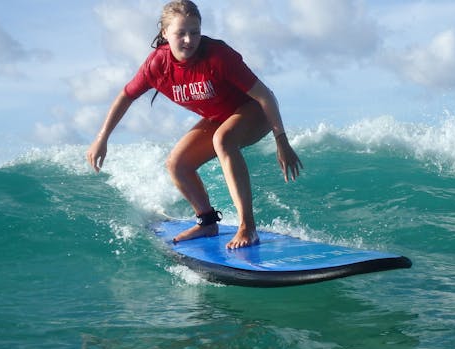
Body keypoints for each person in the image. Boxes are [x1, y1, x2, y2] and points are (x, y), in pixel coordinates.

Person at [86, 0, 302, 249]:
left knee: (223, 139)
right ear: (165, 33)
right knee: (177, 164)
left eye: (195, 32)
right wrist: (102, 138)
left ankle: (247, 227)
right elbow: (126, 95)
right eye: (181, 33)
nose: (189, 40)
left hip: (255, 111)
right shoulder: (157, 65)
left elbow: (265, 96)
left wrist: (281, 141)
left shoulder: (217, 55)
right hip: (220, 117)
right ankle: (207, 221)